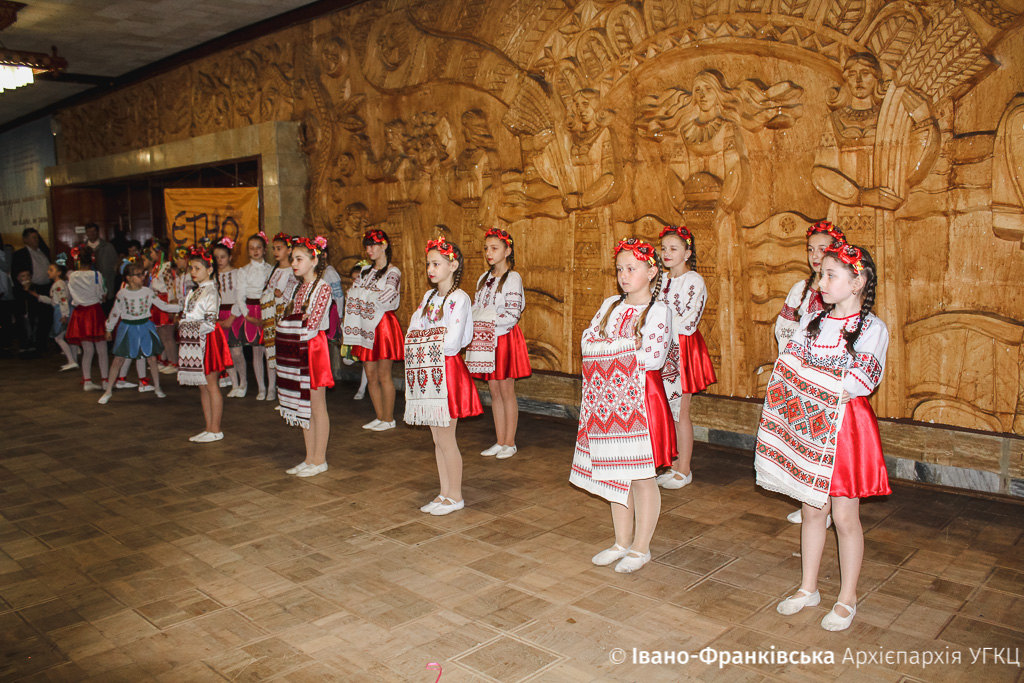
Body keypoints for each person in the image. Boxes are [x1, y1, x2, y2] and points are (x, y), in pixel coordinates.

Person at [756, 243, 890, 632]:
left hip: (845, 428)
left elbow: (859, 381)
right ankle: (808, 587)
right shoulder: (814, 320)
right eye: (821, 275)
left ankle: (847, 598)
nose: (822, 282)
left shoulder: (872, 328)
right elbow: (789, 361)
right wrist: (808, 377)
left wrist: (811, 376)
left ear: (857, 282)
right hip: (808, 425)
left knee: (845, 516)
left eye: (831, 275)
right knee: (813, 509)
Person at [569, 238, 675, 574]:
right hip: (607, 401)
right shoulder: (609, 305)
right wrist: (628, 345)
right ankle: (621, 541)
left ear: (651, 271)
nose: (624, 275)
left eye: (631, 268)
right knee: (615, 471)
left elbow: (652, 357)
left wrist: (612, 347)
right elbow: (587, 341)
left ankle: (641, 547)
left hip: (642, 400)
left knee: (642, 476)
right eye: (619, 269)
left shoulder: (659, 311)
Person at [406, 236, 482, 516]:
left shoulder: (459, 298)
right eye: (429, 264)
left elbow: (452, 343)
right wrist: (430, 336)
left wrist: (426, 337)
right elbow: (412, 330)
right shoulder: (428, 298)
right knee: (436, 439)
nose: (431, 269)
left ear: (453, 265)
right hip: (427, 369)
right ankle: (444, 492)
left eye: (437, 264)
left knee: (447, 438)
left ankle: (456, 495)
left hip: (446, 371)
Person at [776, 220, 845, 527]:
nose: (815, 256)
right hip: (799, 372)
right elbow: (784, 327)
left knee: (826, 444)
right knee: (803, 441)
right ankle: (810, 501)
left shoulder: (840, 291)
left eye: (823, 249)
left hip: (827, 377)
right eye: (810, 250)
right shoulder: (800, 289)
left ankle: (825, 505)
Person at [655, 226, 717, 489]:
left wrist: (660, 325)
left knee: (680, 411)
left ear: (687, 253)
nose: (667, 253)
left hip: (682, 350)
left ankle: (684, 469)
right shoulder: (660, 279)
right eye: (664, 248)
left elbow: (689, 322)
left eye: (674, 248)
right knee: (666, 411)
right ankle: (672, 464)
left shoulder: (694, 281)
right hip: (660, 348)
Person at [468, 227, 531, 459]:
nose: (489, 253)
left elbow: (513, 314)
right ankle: (499, 440)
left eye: (494, 248)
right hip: (486, 339)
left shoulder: (513, 278)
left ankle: (510, 442)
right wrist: (475, 319)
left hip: (503, 338)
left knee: (506, 390)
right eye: (486, 248)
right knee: (494, 390)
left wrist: (486, 320)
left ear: (507, 251)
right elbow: (476, 307)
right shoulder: (483, 279)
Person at [279, 236, 335, 477]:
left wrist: (296, 323)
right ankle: (309, 457)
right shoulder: (297, 288)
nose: (294, 263)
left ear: (314, 261)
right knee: (304, 404)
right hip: (297, 346)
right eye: (292, 259)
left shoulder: (323, 288)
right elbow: (286, 317)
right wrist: (294, 322)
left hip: (313, 348)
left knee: (317, 404)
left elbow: (312, 324)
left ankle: (319, 459)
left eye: (299, 259)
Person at [342, 228, 404, 431]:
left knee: (384, 373)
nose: (369, 250)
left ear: (384, 245)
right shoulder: (366, 271)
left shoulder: (393, 272)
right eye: (367, 247)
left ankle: (389, 418)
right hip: (365, 324)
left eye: (373, 246)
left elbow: (385, 298)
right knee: (370, 373)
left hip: (383, 325)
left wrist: (364, 295)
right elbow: (352, 293)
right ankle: (379, 416)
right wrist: (366, 295)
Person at [98, 261, 180, 404]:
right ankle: (108, 391)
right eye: (139, 275)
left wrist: (182, 307)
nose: (142, 277)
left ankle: (157, 387)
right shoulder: (122, 293)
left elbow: (163, 306)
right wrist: (109, 328)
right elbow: (115, 312)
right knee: (118, 360)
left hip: (144, 327)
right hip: (128, 327)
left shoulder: (148, 292)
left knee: (152, 359)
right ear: (129, 278)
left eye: (143, 274)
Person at [177, 246, 233, 443]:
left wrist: (186, 326)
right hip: (195, 340)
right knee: (202, 385)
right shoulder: (195, 291)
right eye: (191, 268)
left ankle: (215, 428)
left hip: (207, 339)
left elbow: (209, 322)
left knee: (211, 384)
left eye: (197, 268)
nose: (193, 272)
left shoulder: (211, 292)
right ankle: (208, 426)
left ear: (209, 270)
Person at [233, 233, 274, 399]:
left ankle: (272, 388)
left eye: (259, 247)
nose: (255, 251)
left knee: (269, 351)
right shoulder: (243, 271)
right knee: (257, 352)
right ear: (248, 251)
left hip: (267, 310)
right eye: (252, 248)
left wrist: (269, 312)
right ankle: (261, 388)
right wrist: (247, 315)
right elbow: (240, 295)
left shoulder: (271, 269)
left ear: (264, 250)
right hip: (252, 311)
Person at [260, 233, 299, 402]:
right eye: (274, 249)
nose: (276, 252)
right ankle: (272, 387)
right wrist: (271, 295)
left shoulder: (293, 271)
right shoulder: (274, 270)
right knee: (271, 353)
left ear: (289, 250)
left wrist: (279, 296)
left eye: (279, 248)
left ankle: (289, 392)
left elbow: (291, 295)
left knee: (286, 356)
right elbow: (267, 291)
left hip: (285, 319)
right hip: (272, 318)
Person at [24, 255, 78, 371]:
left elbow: (62, 300)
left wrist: (64, 315)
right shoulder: (61, 284)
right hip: (64, 311)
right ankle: (73, 360)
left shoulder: (58, 285)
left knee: (58, 338)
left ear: (58, 272)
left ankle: (71, 360)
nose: (48, 272)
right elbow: (54, 300)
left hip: (61, 312)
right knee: (69, 337)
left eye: (51, 270)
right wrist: (37, 296)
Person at [65, 246, 109, 390]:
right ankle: (105, 380)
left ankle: (87, 380)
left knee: (87, 350)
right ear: (92, 259)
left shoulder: (72, 276)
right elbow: (101, 294)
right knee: (102, 349)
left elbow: (71, 294)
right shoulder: (96, 274)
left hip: (80, 313)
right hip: (94, 311)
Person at [212, 238, 245, 396]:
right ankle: (234, 383)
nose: (219, 260)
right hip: (220, 314)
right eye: (216, 257)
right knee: (226, 352)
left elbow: (240, 296)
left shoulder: (237, 273)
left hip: (235, 314)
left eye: (223, 257)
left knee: (237, 352)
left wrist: (232, 317)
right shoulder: (213, 276)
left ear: (230, 257)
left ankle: (243, 383)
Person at [12, 227, 52, 354]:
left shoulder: (43, 251)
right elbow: (16, 275)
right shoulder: (20, 254)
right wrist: (25, 288)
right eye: (33, 237)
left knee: (46, 317)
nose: (36, 240)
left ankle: (41, 343)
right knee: (32, 318)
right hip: (31, 289)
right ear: (26, 239)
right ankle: (30, 344)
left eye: (37, 237)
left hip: (46, 287)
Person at [144, 238, 179, 374]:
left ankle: (174, 363)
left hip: (165, 300)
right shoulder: (157, 267)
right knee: (162, 334)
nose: (150, 254)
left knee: (168, 335)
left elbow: (171, 286)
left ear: (160, 252)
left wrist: (171, 305)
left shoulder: (167, 266)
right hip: (157, 301)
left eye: (152, 251)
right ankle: (167, 360)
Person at [84, 223, 118, 306]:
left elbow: (115, 265)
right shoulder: (82, 248)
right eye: (89, 231)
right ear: (86, 233)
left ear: (98, 232)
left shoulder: (108, 246)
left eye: (94, 231)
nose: (92, 234)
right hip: (89, 286)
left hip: (106, 284)